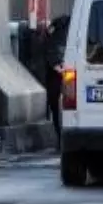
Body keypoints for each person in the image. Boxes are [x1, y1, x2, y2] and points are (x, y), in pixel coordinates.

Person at [43, 15, 71, 146]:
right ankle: (61, 137)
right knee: (56, 104)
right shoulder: (61, 23)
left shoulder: (62, 22)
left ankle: (61, 137)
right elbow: (51, 45)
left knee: (60, 104)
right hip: (61, 71)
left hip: (64, 70)